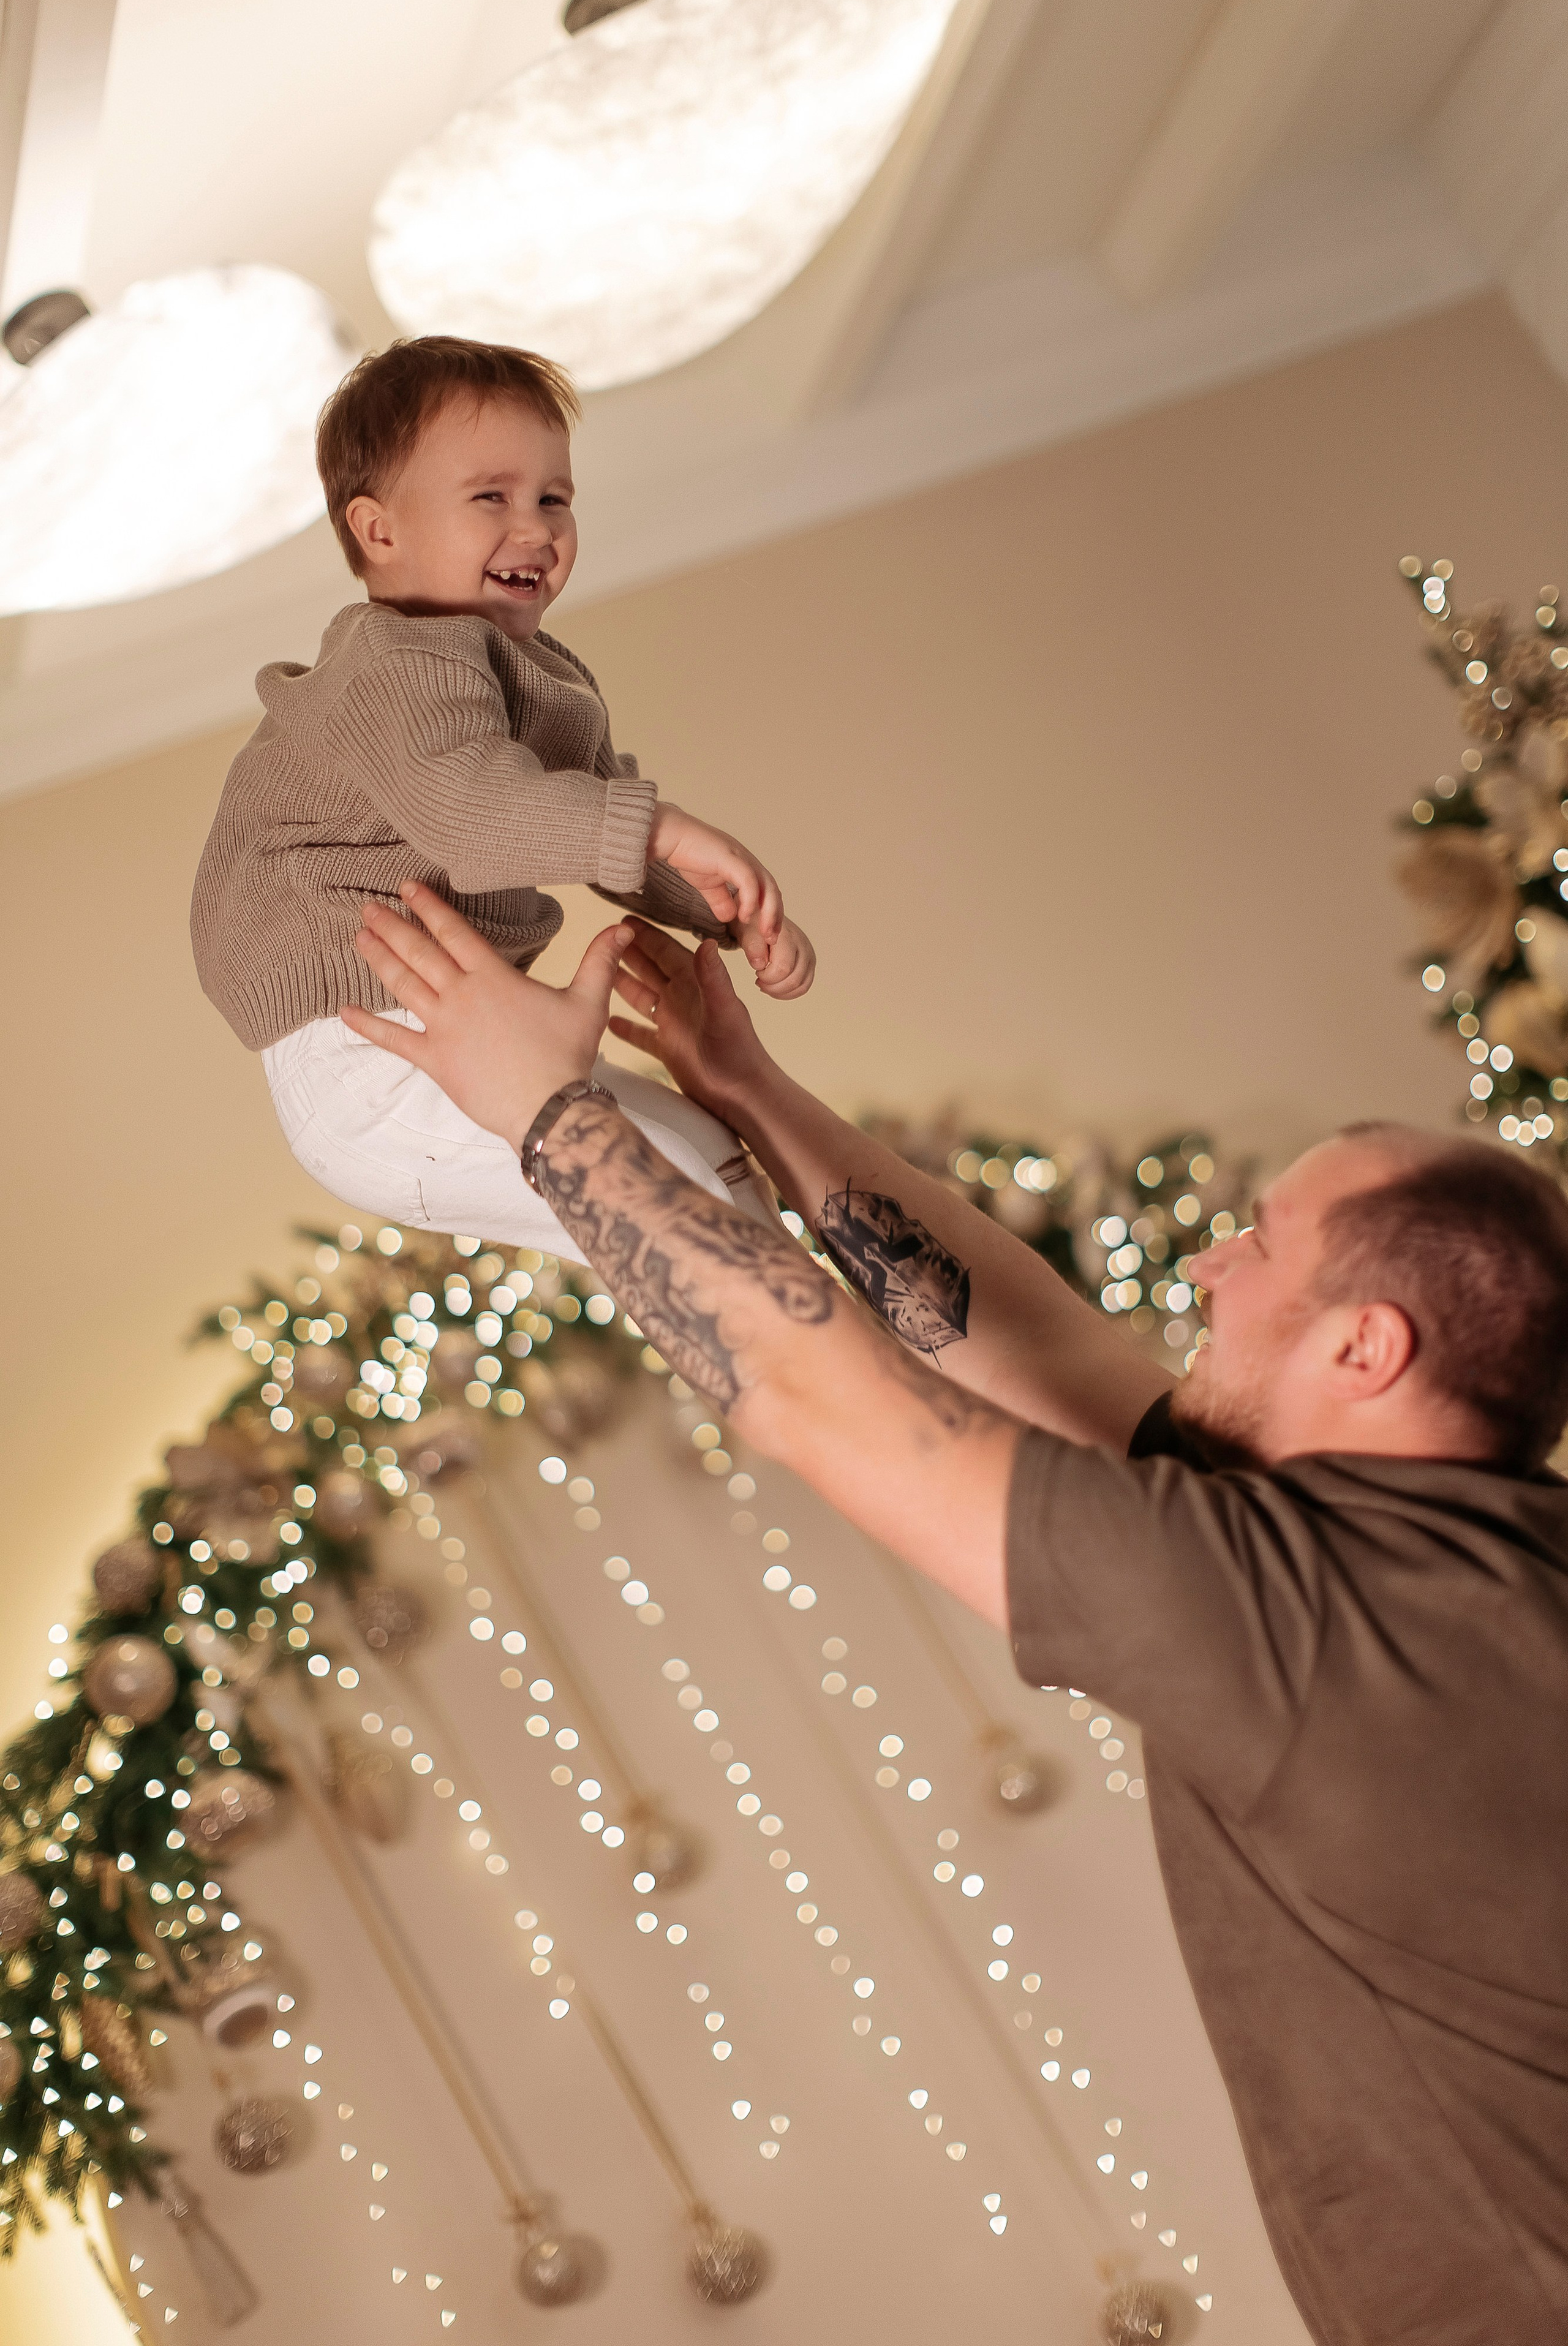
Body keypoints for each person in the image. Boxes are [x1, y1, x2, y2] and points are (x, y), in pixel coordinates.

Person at [342, 883, 1568, 2346]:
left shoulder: (1315, 1617)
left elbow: (814, 1401)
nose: (1203, 1268)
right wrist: (748, 1090)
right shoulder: (1434, 1559)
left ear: (1364, 1348)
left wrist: (546, 1111)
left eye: (1258, 1248)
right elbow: (1036, 1346)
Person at [190, 335, 813, 1264]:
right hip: (368, 1048)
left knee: (711, 1158)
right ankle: (807, 1374)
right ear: (380, 530)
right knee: (676, 1201)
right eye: (492, 497)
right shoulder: (391, 661)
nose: (537, 528)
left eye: (554, 498)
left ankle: (835, 1360)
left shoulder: (532, 673)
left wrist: (722, 911)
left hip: (465, 1028)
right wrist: (669, 829)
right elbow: (472, 810)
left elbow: (591, 816)